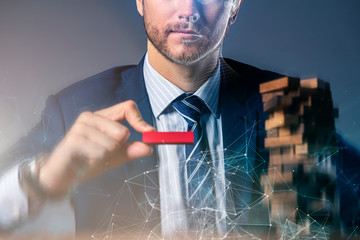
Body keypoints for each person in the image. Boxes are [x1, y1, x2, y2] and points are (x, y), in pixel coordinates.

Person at [0, 0, 359, 238]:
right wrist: (42, 178)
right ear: (140, 1)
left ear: (235, 6)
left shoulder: (290, 107)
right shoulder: (76, 108)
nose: (188, 8)